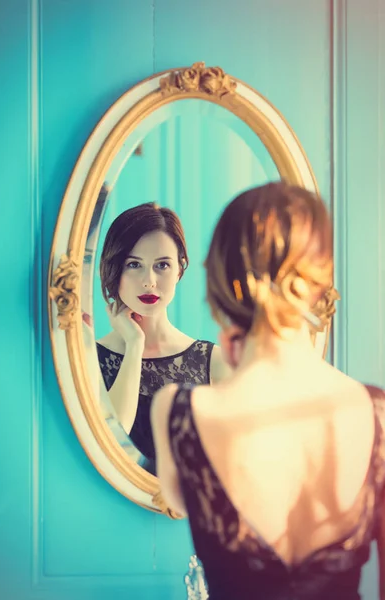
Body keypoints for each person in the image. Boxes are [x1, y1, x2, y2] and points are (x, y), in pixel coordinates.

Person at [151, 182, 385, 600]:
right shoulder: (374, 412)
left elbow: (178, 500)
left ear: (218, 279)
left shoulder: (178, 411)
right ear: (319, 281)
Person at [96, 202, 229, 473]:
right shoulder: (88, 358)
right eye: (134, 264)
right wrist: (134, 345)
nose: (149, 281)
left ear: (179, 270)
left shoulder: (213, 361)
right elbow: (109, 445)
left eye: (162, 265)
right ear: (115, 269)